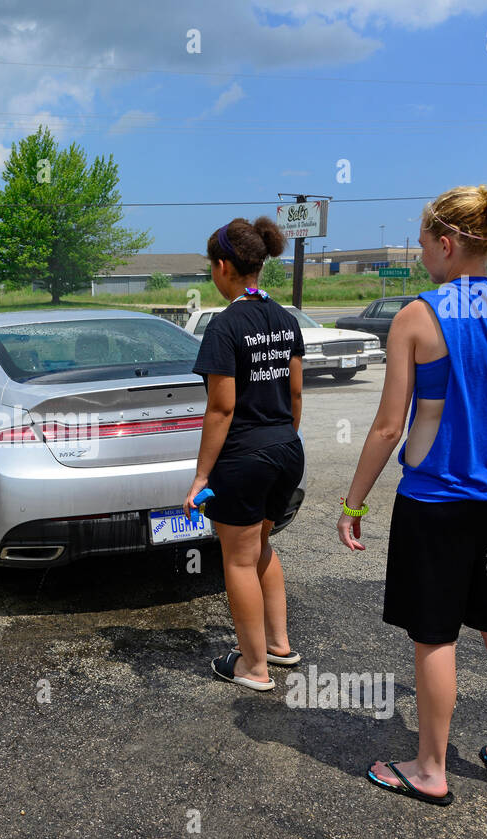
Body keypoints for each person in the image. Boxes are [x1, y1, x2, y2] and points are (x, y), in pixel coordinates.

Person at [337, 183, 487, 806]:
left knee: (436, 636)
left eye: (422, 246)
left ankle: (431, 769)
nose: (421, 258)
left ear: (446, 244)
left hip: (436, 506)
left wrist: (354, 501)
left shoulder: (419, 315)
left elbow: (390, 426)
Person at [183, 217, 306, 692]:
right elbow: (296, 395)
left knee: (236, 559)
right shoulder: (285, 319)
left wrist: (201, 476)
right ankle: (278, 645)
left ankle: (253, 667)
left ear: (222, 267)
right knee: (262, 547)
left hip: (243, 457)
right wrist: (280, 441)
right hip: (285, 448)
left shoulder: (225, 326)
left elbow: (222, 406)